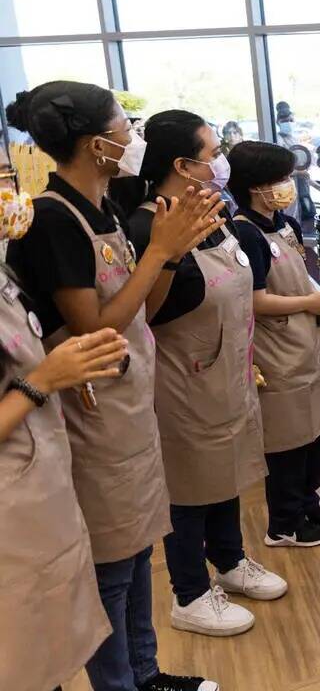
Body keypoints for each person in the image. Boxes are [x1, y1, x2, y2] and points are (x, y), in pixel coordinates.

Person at [5, 81, 222, 691]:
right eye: (121, 126)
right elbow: (95, 328)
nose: (132, 137)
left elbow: (141, 314)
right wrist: (159, 252)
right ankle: (119, 683)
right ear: (93, 143)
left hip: (131, 407)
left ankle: (146, 674)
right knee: (111, 567)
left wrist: (172, 254)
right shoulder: (53, 218)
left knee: (137, 550)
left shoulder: (105, 205)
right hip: (92, 416)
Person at [130, 110, 287, 638]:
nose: (221, 161)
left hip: (229, 370)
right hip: (182, 380)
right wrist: (166, 253)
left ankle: (231, 560)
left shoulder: (213, 213)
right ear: (182, 164)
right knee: (189, 486)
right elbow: (141, 312)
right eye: (212, 152)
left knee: (227, 471)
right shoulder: (145, 224)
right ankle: (189, 593)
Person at [0, 165, 129, 691]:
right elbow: (28, 379)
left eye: (4, 174)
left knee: (47, 650)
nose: (8, 191)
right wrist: (41, 382)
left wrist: (59, 366)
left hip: (37, 487)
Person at [229, 141, 320, 547]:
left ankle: (307, 502)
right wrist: (312, 302)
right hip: (275, 348)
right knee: (287, 442)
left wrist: (319, 300)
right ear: (254, 186)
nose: (286, 185)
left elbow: (301, 275)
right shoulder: (244, 233)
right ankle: (283, 523)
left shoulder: (285, 223)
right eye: (278, 179)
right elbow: (255, 300)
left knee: (314, 430)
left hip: (301, 342)